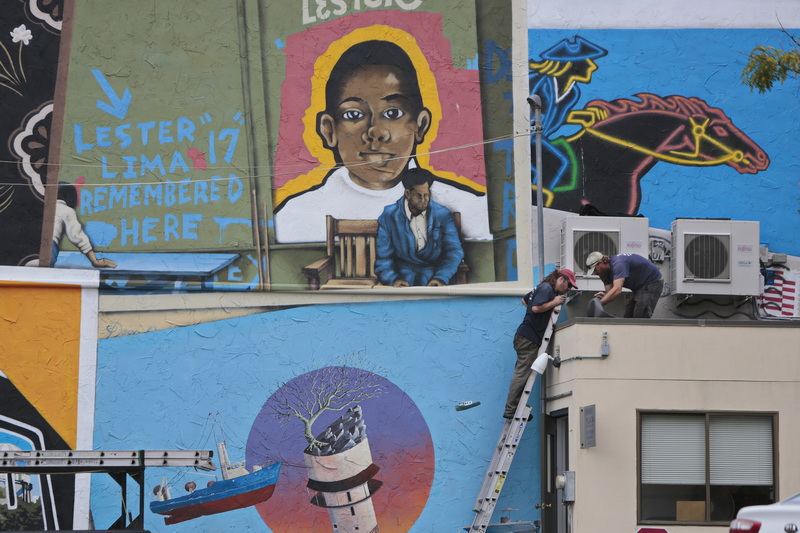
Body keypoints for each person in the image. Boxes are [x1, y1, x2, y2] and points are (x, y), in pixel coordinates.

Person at [273, 39, 491, 243]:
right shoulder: (295, 217)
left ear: (420, 125)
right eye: (353, 115)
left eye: (393, 113)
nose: (375, 131)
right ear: (329, 130)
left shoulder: (467, 208)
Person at [504, 269, 577, 419]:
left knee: (522, 372)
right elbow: (536, 308)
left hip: (525, 336)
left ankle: (515, 406)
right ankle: (511, 409)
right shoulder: (547, 289)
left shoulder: (541, 287)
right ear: (561, 279)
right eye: (569, 285)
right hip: (529, 337)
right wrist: (554, 303)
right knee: (522, 373)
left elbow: (525, 301)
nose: (568, 289)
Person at [374, 168, 464, 287]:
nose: (424, 200)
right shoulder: (389, 215)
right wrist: (393, 279)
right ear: (407, 194)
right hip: (402, 276)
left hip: (434, 274)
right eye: (419, 196)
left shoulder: (442, 214)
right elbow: (383, 257)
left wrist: (441, 278)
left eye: (426, 195)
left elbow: (453, 252)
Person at [52, 182, 117, 268]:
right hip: (49, 249)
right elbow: (78, 236)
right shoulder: (66, 210)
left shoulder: (40, 206)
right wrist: (95, 260)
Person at [585, 251, 663, 318]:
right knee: (628, 317)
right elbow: (611, 293)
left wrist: (600, 303)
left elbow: (617, 290)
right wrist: (605, 297)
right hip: (638, 288)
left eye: (595, 269)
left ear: (601, 263)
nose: (595, 273)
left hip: (652, 282)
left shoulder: (618, 264)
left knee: (640, 316)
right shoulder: (603, 273)